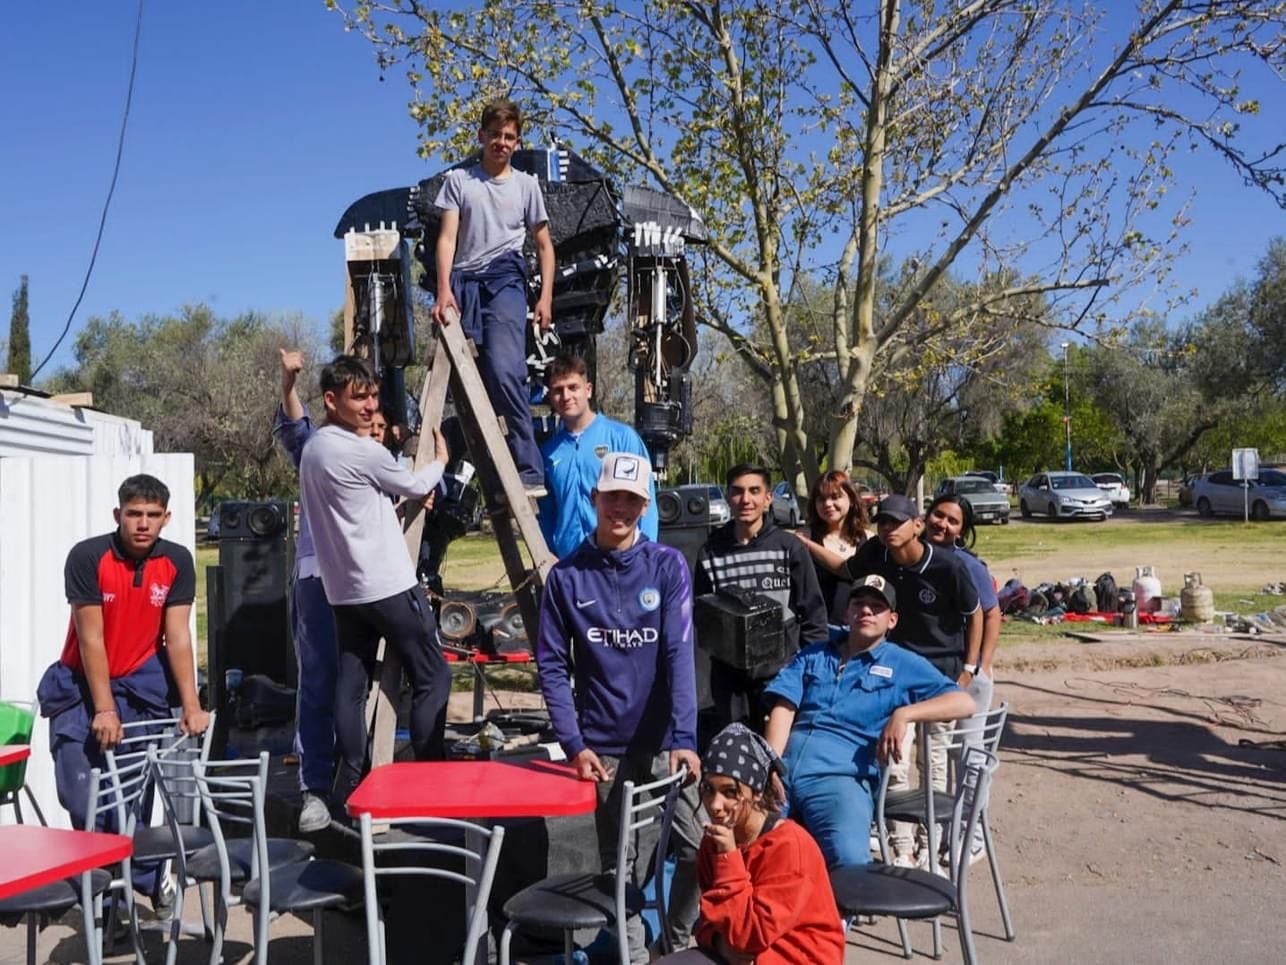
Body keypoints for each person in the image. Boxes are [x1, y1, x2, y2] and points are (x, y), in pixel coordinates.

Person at [535, 451, 704, 961]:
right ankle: (635, 955)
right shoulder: (566, 578)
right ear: (596, 499)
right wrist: (573, 744)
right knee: (621, 869)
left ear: (645, 504)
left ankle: (677, 939)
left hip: (663, 749)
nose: (621, 508)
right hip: (603, 751)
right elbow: (550, 667)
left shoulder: (666, 565)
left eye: (632, 499)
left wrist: (685, 738)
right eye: (613, 497)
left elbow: (678, 654)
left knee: (701, 847)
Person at [298, 355, 452, 806]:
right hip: (387, 585)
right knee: (433, 677)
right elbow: (414, 482)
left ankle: (351, 777)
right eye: (358, 398)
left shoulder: (314, 449)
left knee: (352, 686)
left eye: (372, 396)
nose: (369, 407)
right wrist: (441, 460)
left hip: (344, 593)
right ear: (331, 400)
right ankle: (432, 775)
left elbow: (365, 499)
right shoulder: (364, 451)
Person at [762, 575, 975, 868]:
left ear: (892, 620)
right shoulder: (814, 654)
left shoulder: (902, 663)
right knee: (746, 844)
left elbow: (964, 702)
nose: (866, 611)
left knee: (848, 859)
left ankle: (839, 914)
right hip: (782, 772)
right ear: (847, 613)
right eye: (859, 604)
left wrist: (905, 714)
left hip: (840, 778)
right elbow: (784, 706)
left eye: (876, 607)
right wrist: (770, 762)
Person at [37, 474, 209, 834]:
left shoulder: (177, 560)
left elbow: (177, 637)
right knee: (81, 795)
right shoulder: (88, 557)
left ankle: (141, 881)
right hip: (81, 687)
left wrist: (191, 705)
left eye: (153, 514)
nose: (143, 523)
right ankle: (97, 882)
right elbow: (91, 638)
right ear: (118, 514)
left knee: (132, 797)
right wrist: (104, 709)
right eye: (134, 513)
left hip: (139, 688)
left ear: (167, 517)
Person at [845, 493, 982, 861]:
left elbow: (977, 613)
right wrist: (804, 543)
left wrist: (969, 669)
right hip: (895, 678)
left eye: (896, 522)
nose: (887, 528)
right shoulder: (876, 554)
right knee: (895, 763)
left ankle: (931, 845)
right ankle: (902, 849)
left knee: (933, 762)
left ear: (916, 526)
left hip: (941, 677)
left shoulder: (949, 567)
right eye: (882, 522)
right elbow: (843, 570)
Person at [431, 98, 556, 495]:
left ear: (517, 143)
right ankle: (491, 471)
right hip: (466, 279)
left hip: (505, 277)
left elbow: (544, 245)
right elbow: (447, 238)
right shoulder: (460, 181)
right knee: (473, 381)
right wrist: (444, 288)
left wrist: (544, 299)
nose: (501, 143)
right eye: (495, 135)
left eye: (509, 137)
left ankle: (528, 466)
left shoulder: (525, 186)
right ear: (481, 136)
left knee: (506, 369)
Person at [654, 723, 846, 965]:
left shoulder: (789, 847)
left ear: (756, 792)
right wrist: (717, 942)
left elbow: (747, 937)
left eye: (730, 792)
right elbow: (709, 921)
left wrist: (728, 857)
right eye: (708, 789)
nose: (715, 805)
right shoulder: (715, 840)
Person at [694, 465, 828, 732]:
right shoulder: (710, 552)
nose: (746, 500)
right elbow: (701, 617)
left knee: (778, 763)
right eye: (738, 491)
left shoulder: (788, 547)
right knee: (736, 762)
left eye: (755, 491)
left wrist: (808, 672)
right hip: (730, 684)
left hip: (781, 679)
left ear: (768, 498)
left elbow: (814, 616)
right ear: (727, 496)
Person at [923, 492, 1001, 864]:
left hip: (970, 676)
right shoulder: (914, 557)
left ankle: (970, 835)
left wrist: (980, 666)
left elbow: (991, 613)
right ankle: (934, 833)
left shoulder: (968, 565)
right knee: (931, 758)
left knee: (968, 758)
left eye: (953, 521)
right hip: (933, 676)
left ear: (962, 530)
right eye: (939, 515)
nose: (942, 524)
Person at [538, 352, 658, 558]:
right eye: (558, 390)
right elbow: (547, 513)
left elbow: (646, 500)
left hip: (618, 559)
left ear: (588, 390)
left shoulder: (622, 438)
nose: (566, 396)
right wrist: (550, 552)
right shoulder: (548, 452)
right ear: (551, 397)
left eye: (573, 387)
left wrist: (645, 556)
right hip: (570, 563)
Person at [791, 470, 869, 624]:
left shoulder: (868, 539)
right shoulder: (803, 537)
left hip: (858, 631)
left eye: (835, 497)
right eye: (821, 499)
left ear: (852, 499)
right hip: (818, 631)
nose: (827, 504)